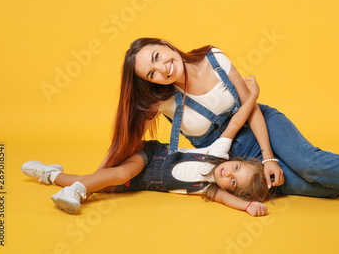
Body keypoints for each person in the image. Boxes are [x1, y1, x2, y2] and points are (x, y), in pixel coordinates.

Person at [90, 37, 339, 213]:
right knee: (316, 188)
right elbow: (133, 140)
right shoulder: (161, 104)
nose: (162, 69)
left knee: (312, 165)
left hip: (263, 126)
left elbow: (252, 108)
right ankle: (334, 173)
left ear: (166, 44)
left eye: (158, 56)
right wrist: (97, 179)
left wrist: (271, 157)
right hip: (232, 153)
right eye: (152, 72)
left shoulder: (214, 59)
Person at [22, 76, 271, 216]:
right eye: (236, 168)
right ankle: (73, 190)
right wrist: (252, 97)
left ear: (231, 190)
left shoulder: (208, 189)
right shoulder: (216, 154)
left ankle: (50, 174)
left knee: (96, 184)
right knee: (120, 173)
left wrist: (249, 206)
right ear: (233, 160)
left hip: (141, 183)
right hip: (151, 156)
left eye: (234, 182)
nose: (229, 174)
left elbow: (230, 202)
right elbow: (237, 121)